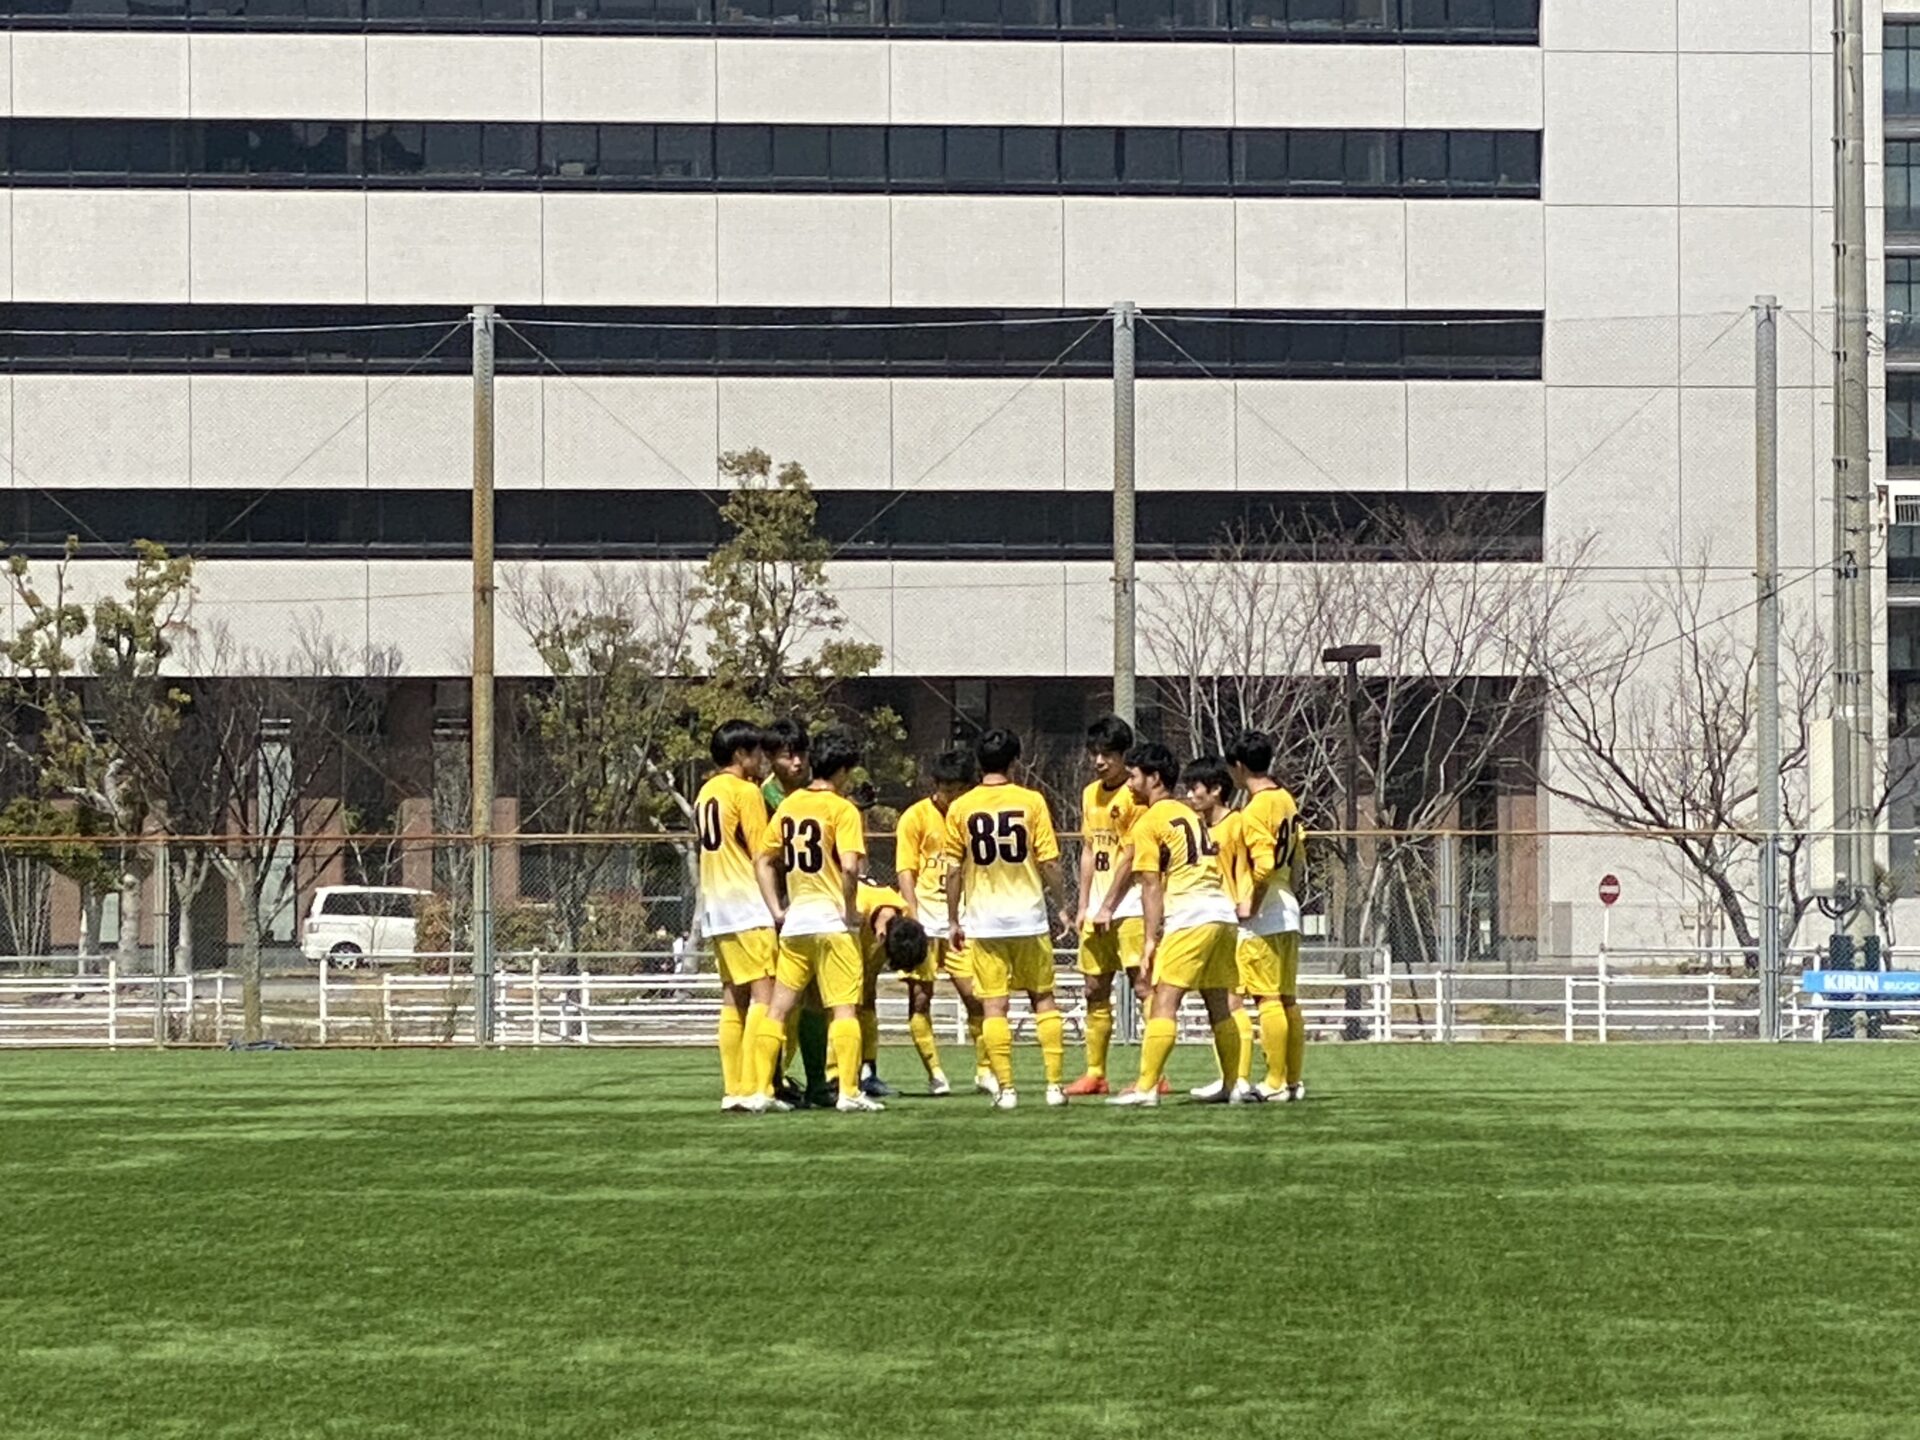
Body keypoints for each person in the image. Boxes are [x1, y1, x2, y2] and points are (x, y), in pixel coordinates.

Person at [742, 728, 883, 1114]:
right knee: (844, 1009)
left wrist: (776, 909)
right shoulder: (842, 809)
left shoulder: (789, 806)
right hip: (832, 924)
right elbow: (850, 867)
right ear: (842, 771)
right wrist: (850, 910)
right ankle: (849, 1091)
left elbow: (763, 859)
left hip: (796, 924)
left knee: (777, 1010)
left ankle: (761, 1090)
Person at [1108, 743, 1245, 1108]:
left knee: (1164, 1000)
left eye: (1134, 776)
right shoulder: (1189, 813)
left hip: (1190, 915)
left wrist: (1150, 940)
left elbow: (1150, 886)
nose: (1129, 784)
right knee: (1219, 1002)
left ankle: (1146, 1088)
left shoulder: (1149, 821)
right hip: (1221, 913)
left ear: (1154, 778)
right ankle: (1233, 1084)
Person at [943, 728, 1073, 1110]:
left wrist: (953, 919)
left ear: (978, 763)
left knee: (994, 1006)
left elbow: (953, 869)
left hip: (984, 921)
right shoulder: (1031, 801)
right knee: (1043, 998)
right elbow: (1050, 862)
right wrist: (1062, 904)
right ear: (1015, 761)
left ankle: (1007, 1090)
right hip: (1029, 917)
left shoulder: (961, 807)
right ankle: (1054, 1086)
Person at [691, 719, 779, 1111]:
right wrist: (776, 906)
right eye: (757, 752)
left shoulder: (705, 792)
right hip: (747, 903)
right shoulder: (746, 792)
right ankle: (757, 1087)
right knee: (765, 994)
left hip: (716, 905)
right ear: (741, 754)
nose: (762, 759)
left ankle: (734, 1089)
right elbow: (762, 854)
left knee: (732, 996)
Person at [1063, 714, 1151, 1097]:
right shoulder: (1089, 794)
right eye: (1095, 753)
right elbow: (1089, 849)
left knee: (1143, 985)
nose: (1099, 761)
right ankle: (1095, 1074)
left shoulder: (1136, 796)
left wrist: (1109, 906)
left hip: (1130, 906)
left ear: (1124, 755)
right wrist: (1084, 904)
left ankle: (1154, 1072)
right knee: (1093, 988)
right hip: (1098, 908)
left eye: (1108, 754)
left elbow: (1132, 857)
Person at [894, 749, 985, 1096]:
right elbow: (906, 869)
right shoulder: (915, 817)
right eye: (947, 789)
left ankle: (985, 1071)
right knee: (920, 998)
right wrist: (913, 916)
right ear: (936, 785)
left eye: (959, 789)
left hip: (963, 920)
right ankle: (935, 1074)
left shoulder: (972, 815)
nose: (952, 796)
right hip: (926, 920)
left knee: (975, 996)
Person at [1227, 730, 1309, 1102]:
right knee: (1287, 999)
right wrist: (1291, 893)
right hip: (1288, 907)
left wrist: (1252, 906)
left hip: (1266, 914)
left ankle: (1274, 1082)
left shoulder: (1255, 810)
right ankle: (1292, 1081)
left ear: (1239, 766)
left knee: (1267, 999)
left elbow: (1262, 866)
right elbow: (1299, 854)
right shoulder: (1286, 799)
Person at [760, 716, 831, 1108]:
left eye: (801, 753)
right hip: (778, 912)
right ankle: (768, 1080)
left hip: (814, 909)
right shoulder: (765, 798)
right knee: (778, 1000)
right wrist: (775, 906)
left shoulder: (813, 792)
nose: (797, 762)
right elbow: (763, 858)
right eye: (788, 756)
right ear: (771, 758)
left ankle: (818, 1082)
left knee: (816, 996)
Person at [1182, 756, 1261, 1105]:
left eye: (1195, 788)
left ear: (1215, 790)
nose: (1189, 795)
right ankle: (1230, 1078)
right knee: (1217, 1000)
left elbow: (1249, 868)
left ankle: (1240, 1079)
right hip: (1208, 921)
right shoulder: (1197, 828)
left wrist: (1245, 905)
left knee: (1231, 1000)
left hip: (1234, 920)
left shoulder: (1236, 823)